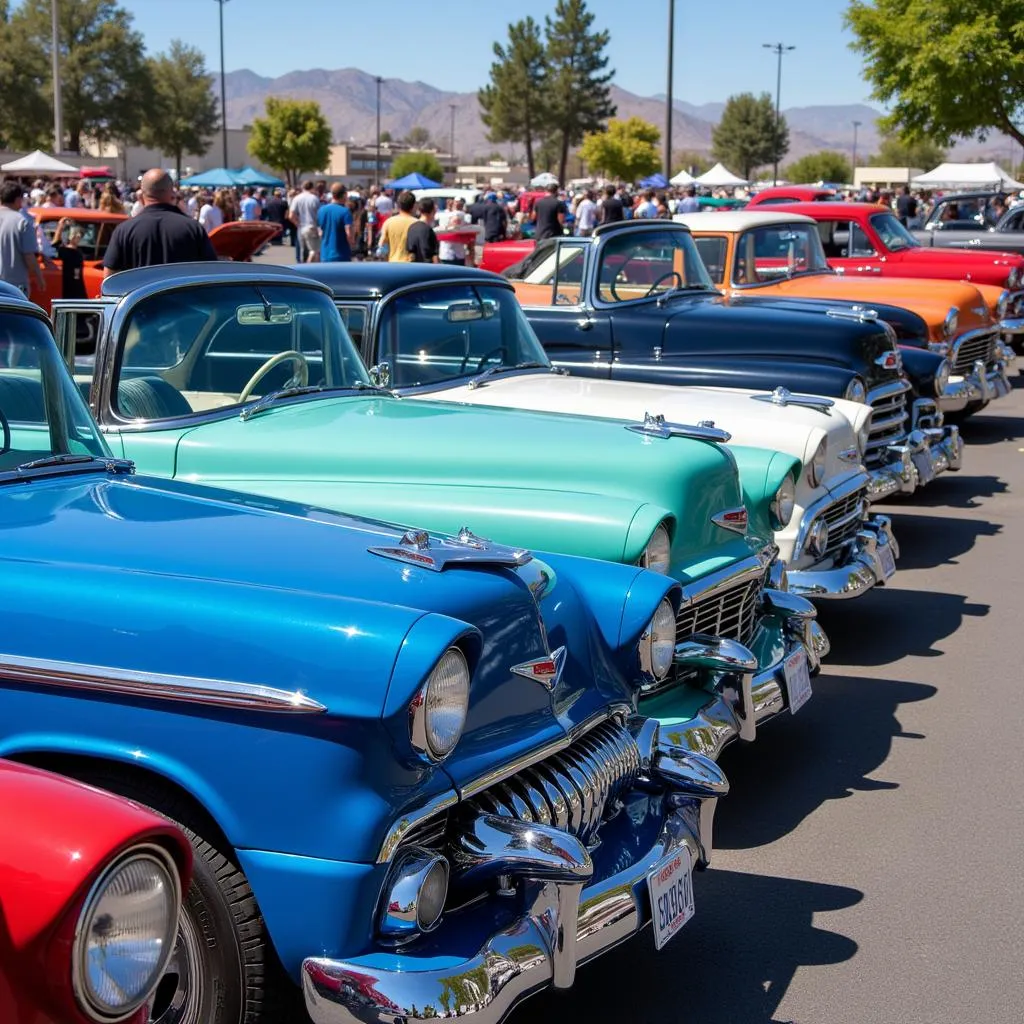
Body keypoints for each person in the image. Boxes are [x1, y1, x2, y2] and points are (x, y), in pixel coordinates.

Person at [102, 169, 216, 276]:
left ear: (141, 195)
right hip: (182, 297)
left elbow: (109, 276)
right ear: (172, 193)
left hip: (140, 297)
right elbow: (211, 271)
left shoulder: (124, 230)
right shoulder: (193, 228)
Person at [0, 181, 44, 297]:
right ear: (18, 199)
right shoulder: (22, 222)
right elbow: (29, 256)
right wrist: (39, 278)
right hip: (14, 286)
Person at [317, 182, 354, 262]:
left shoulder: (321, 210)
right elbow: (349, 233)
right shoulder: (345, 212)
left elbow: (320, 231)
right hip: (341, 255)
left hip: (325, 254)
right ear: (344, 195)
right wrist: (352, 245)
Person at [378, 190, 418, 261]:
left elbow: (381, 246)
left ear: (398, 205)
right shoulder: (417, 223)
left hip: (393, 264)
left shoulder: (389, 222)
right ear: (414, 205)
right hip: (411, 266)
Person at [288, 180, 322, 263]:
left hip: (301, 227)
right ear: (312, 187)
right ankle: (310, 267)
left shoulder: (297, 198)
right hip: (312, 226)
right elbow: (319, 215)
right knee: (314, 250)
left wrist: (297, 224)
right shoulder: (314, 198)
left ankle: (302, 266)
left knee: (302, 251)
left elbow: (291, 215)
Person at [437, 197, 470, 265]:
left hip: (458, 253)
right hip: (446, 254)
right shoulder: (443, 215)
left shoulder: (463, 215)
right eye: (455, 203)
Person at [407, 197, 439, 263]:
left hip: (414, 268)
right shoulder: (428, 230)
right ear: (433, 211)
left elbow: (410, 253)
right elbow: (434, 256)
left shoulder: (412, 227)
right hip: (428, 269)